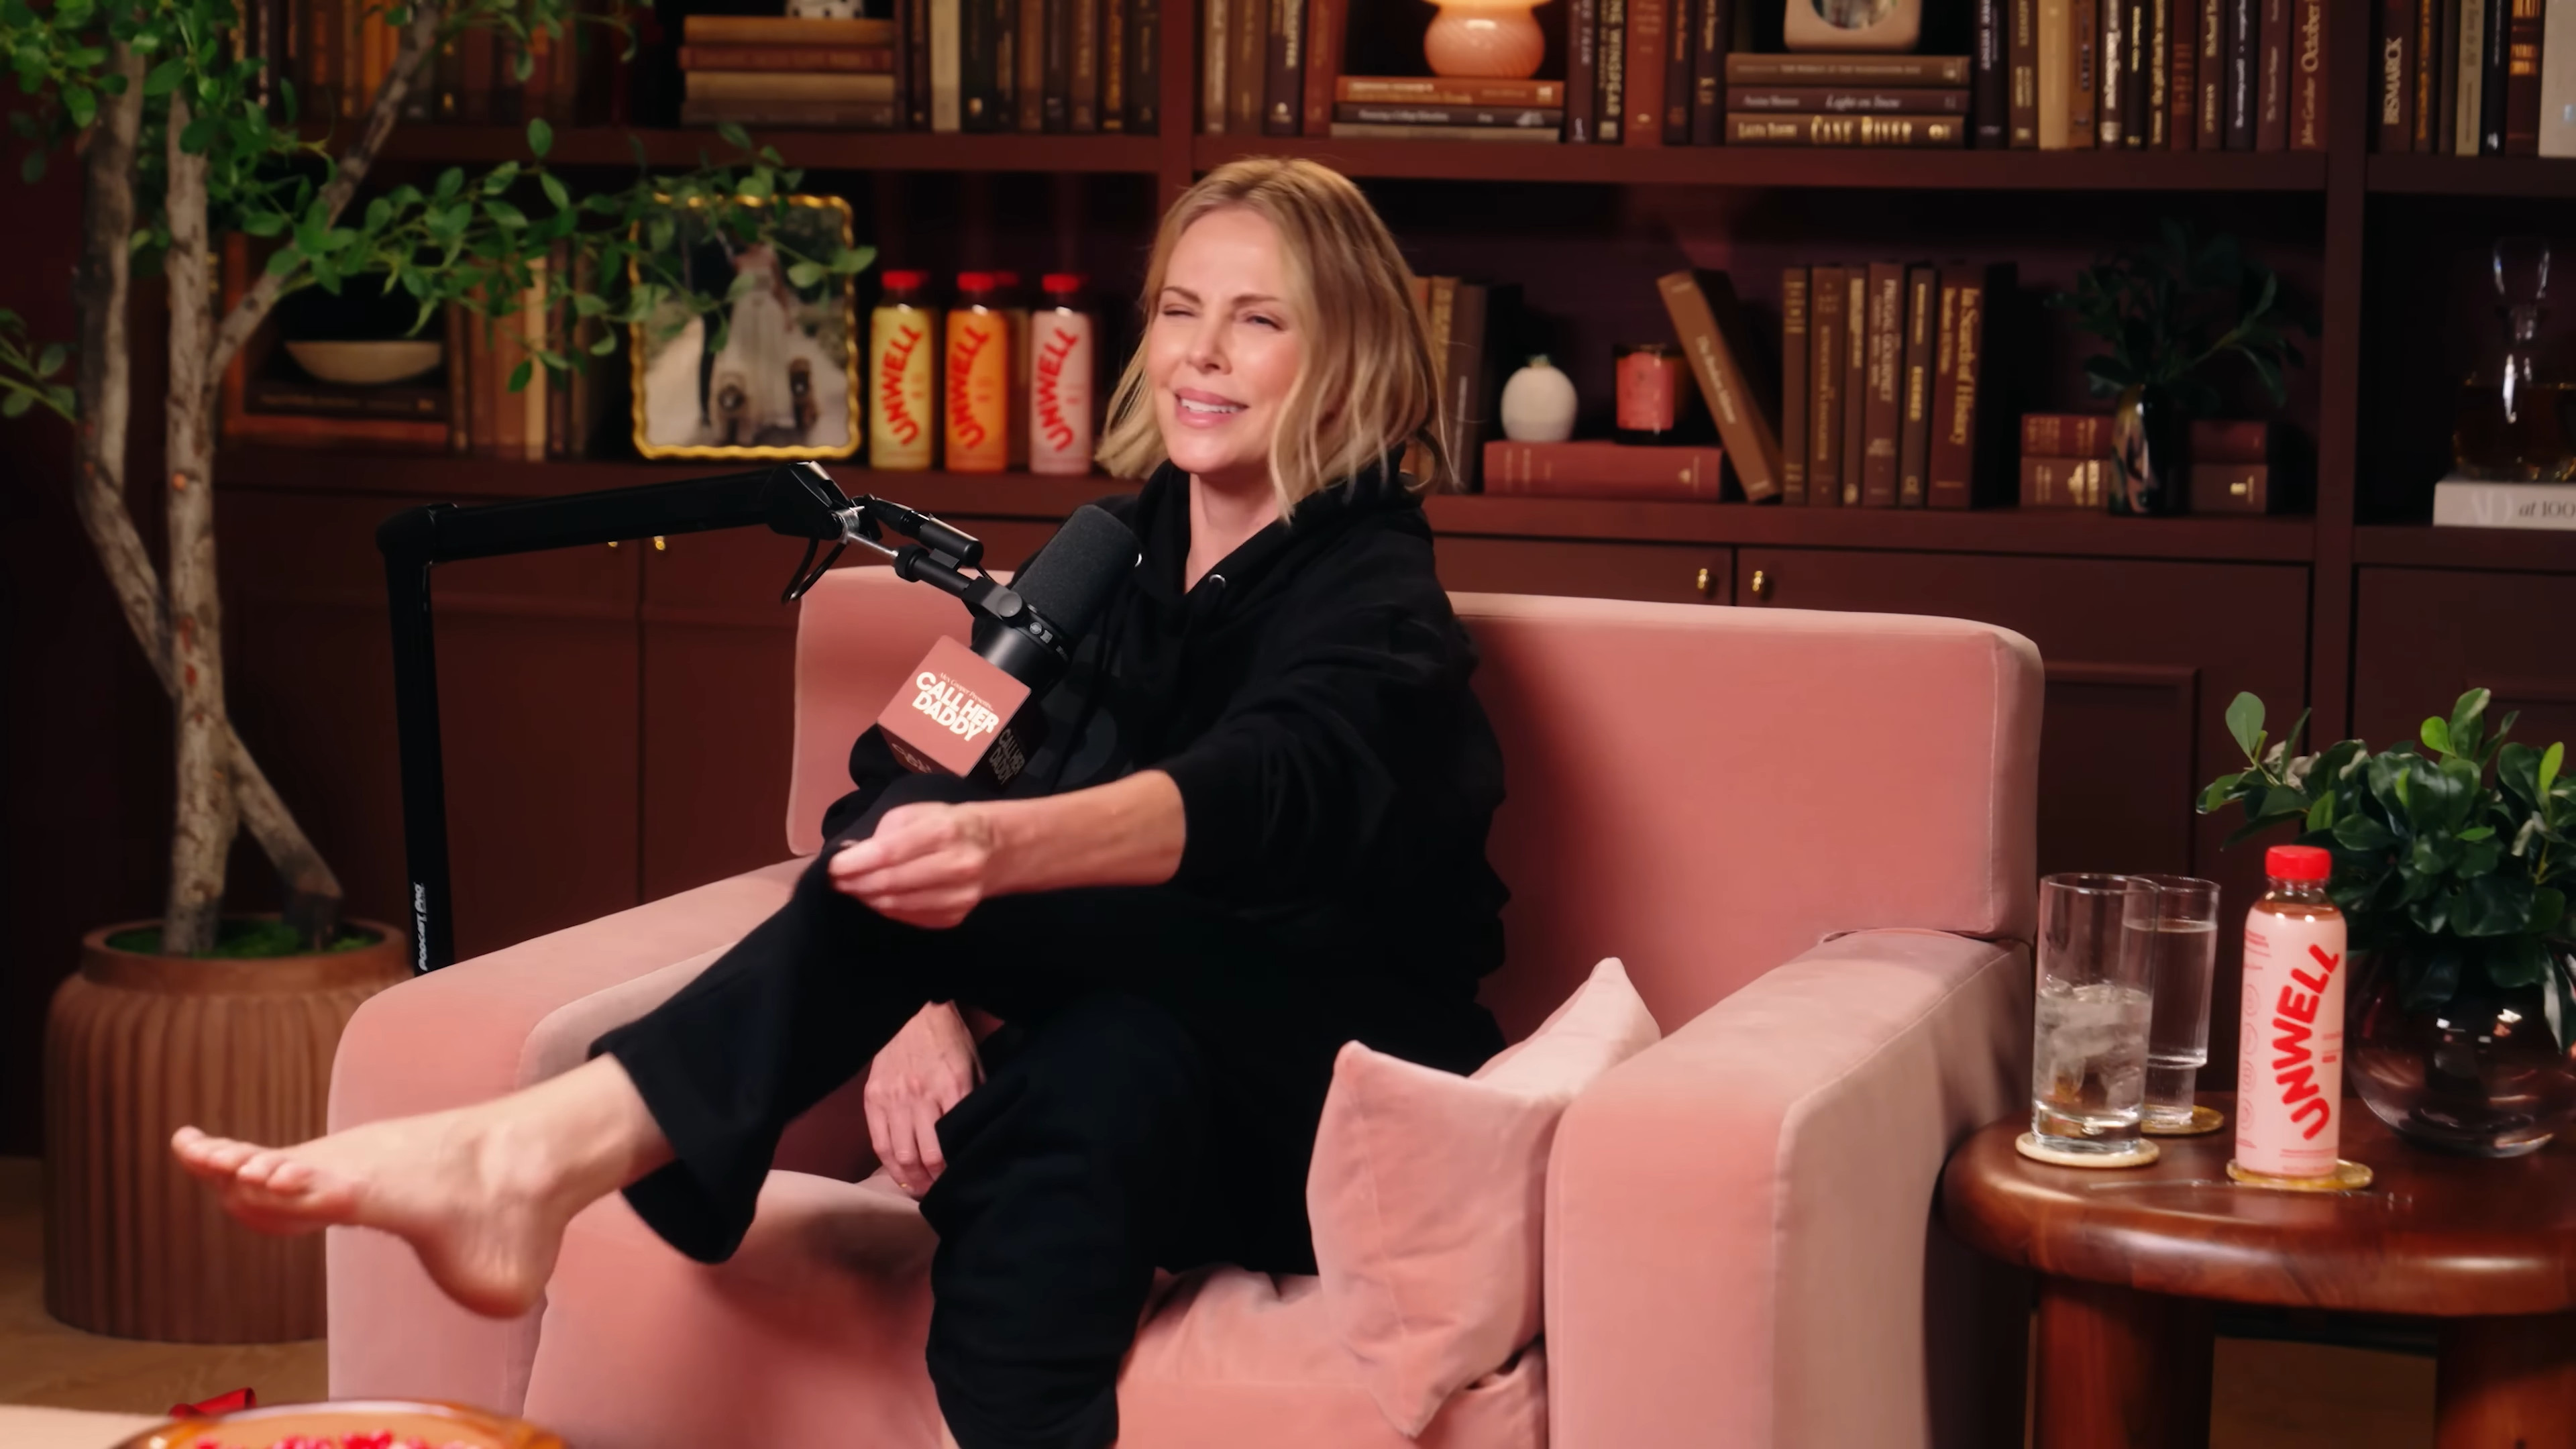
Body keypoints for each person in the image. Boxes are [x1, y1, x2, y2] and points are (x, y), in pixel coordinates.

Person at [171, 156, 1510, 1449]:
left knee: (1044, 984)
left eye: (1259, 320)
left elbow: (1269, 784)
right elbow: (903, 767)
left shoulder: (1376, 596)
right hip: (1142, 1055)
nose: (1201, 354)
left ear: (1346, 357)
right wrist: (925, 998)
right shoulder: (1102, 559)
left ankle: (541, 1154)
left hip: (1322, 1088)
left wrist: (1002, 853)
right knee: (1075, 1089)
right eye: (1179, 309)